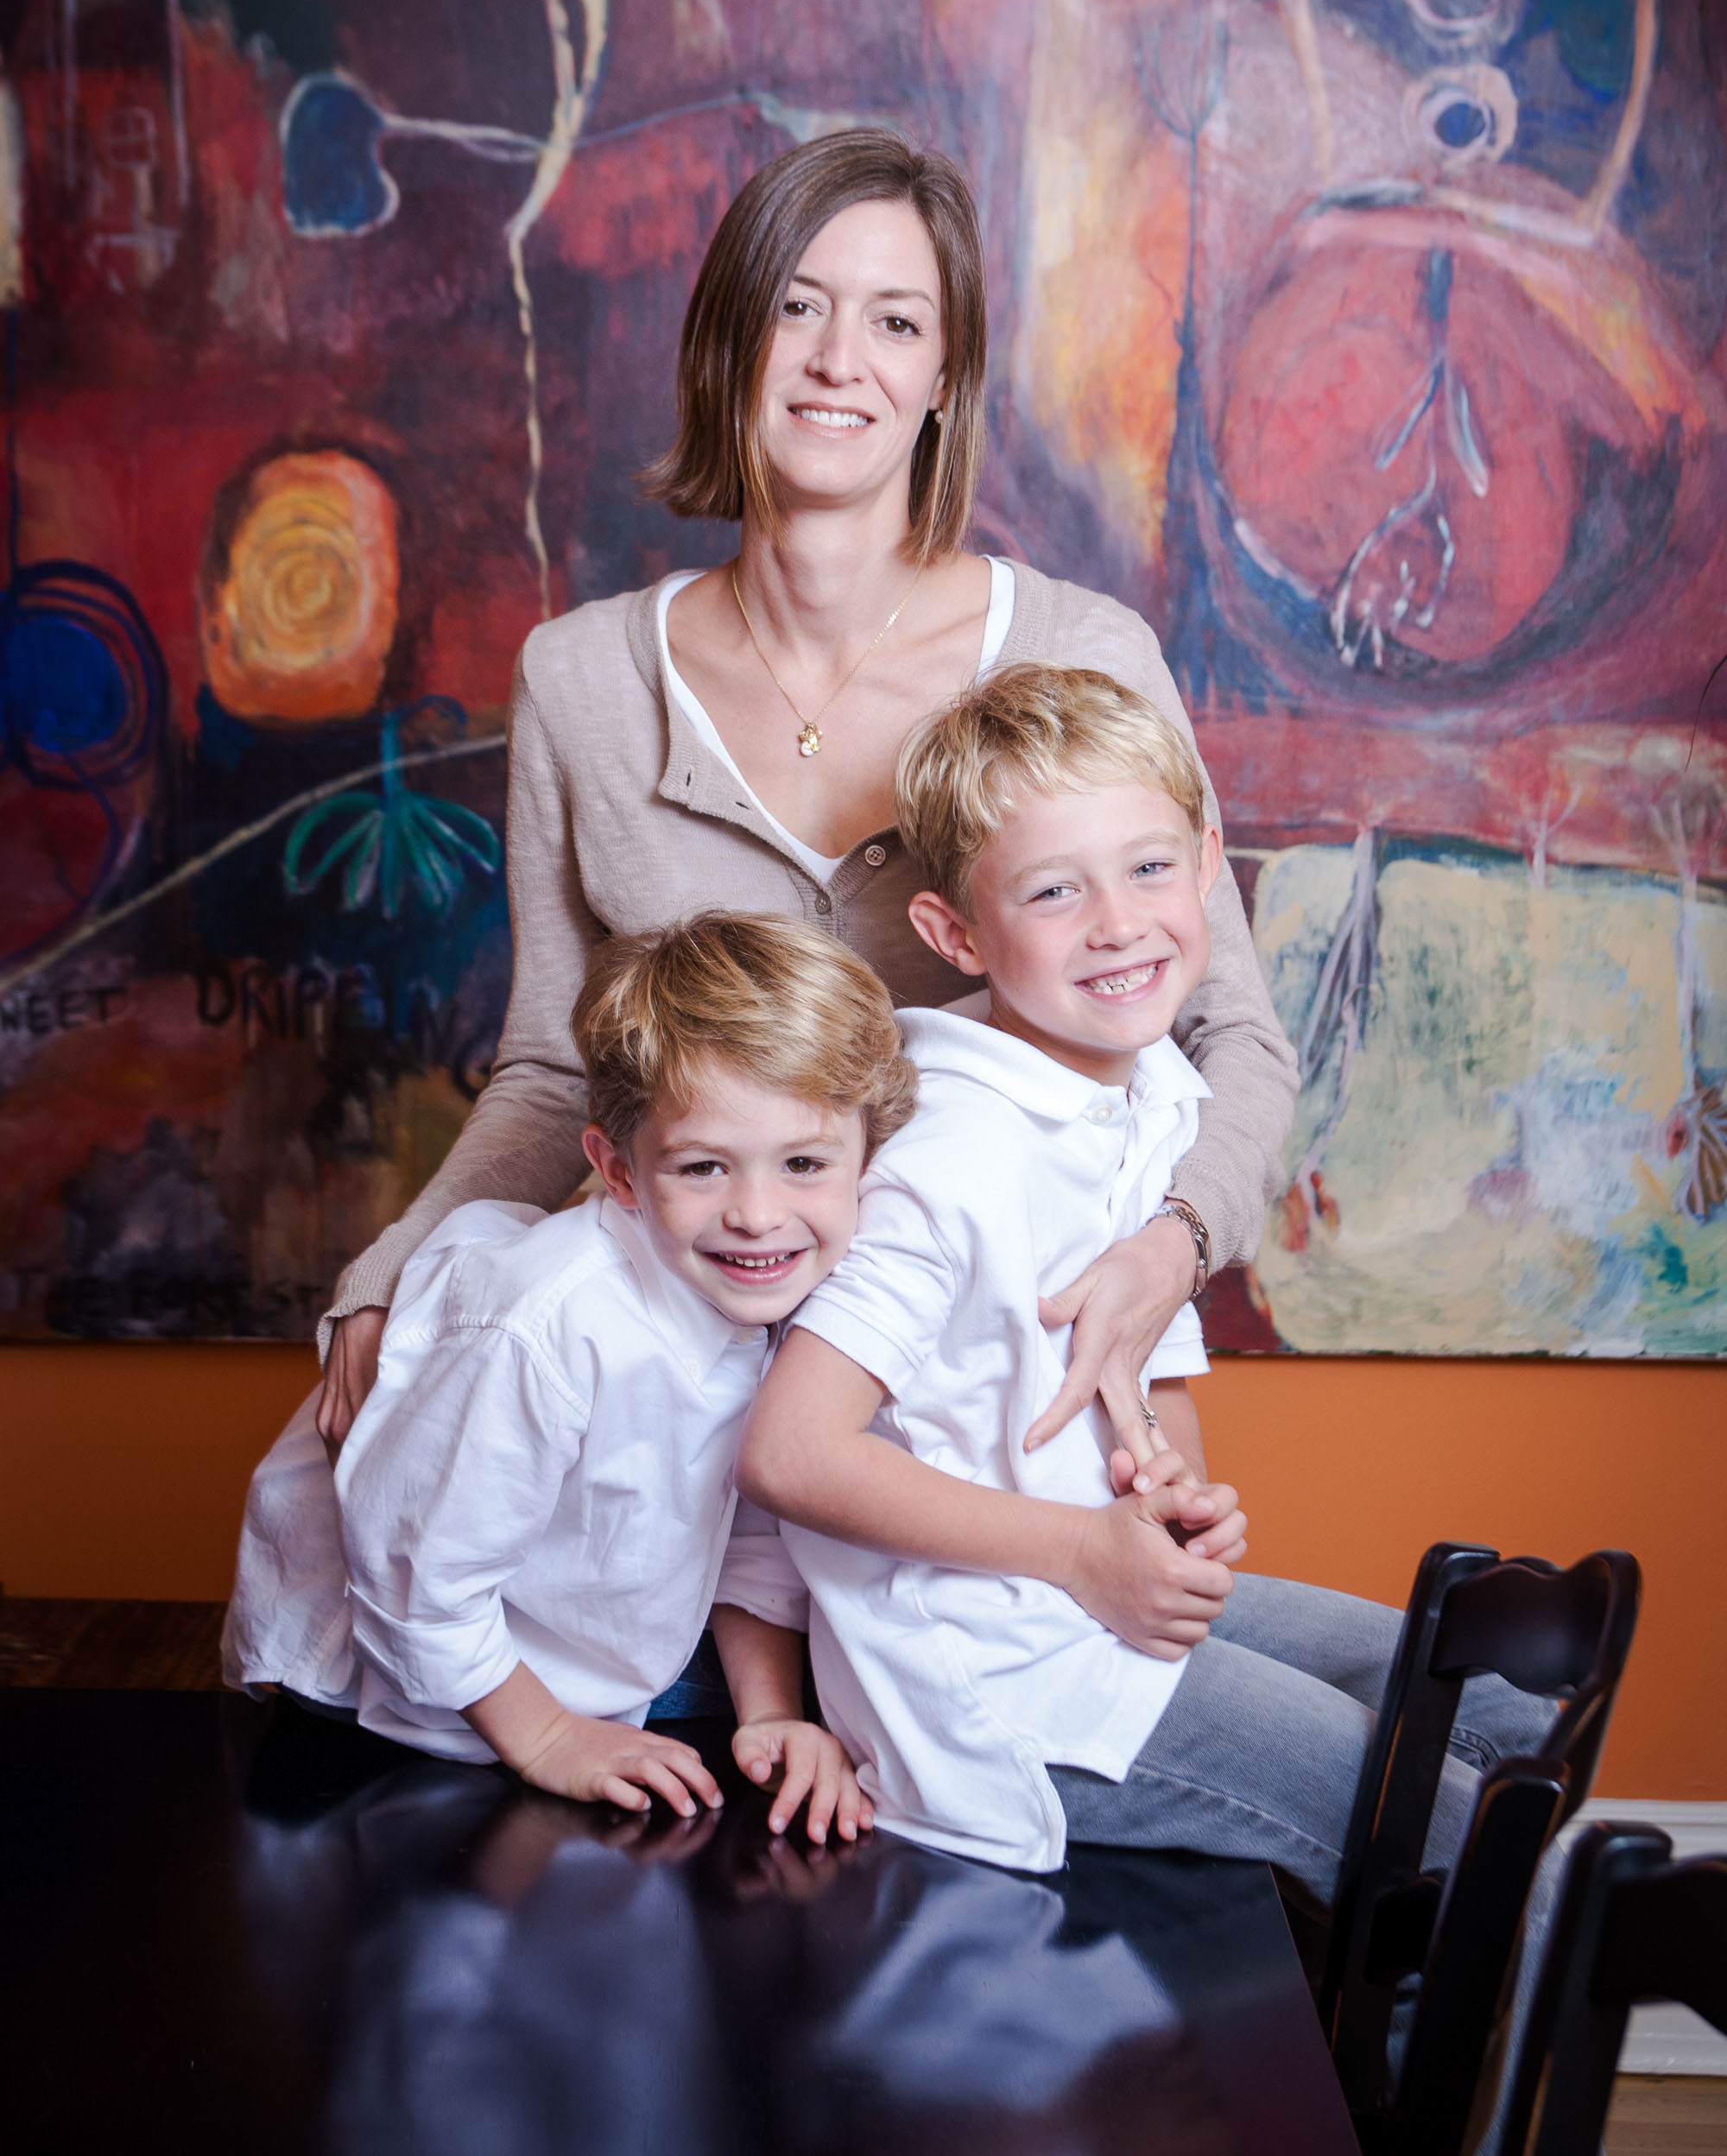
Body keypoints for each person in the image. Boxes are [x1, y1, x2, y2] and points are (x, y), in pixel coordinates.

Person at [315, 130, 1300, 1514]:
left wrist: (1173, 1247)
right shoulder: (582, 679)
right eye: (799, 306)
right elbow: (553, 1073)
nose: (843, 361)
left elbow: (1233, 1040)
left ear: (943, 378)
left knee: (1416, 1711)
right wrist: (395, 1273)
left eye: (897, 321)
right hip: (673, 1436)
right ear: (730, 340)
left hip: (990, 1429)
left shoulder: (1087, 656)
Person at [736, 667, 1553, 1895]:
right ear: (956, 935)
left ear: (1208, 864)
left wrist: (1177, 1497)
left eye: (1151, 869)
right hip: (1000, 1674)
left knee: (1508, 1723)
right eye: (1055, 890)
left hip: (1098, 1601)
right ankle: (1408, 2086)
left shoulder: (1149, 1092)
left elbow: (1145, 1375)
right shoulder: (956, 1152)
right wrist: (1081, 1550)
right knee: (1451, 1831)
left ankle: (1373, 2050)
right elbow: (789, 1455)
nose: (1118, 923)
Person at [225, 914, 908, 1840]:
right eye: (702, 1167)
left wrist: (770, 1712)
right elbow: (411, 1571)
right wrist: (545, 1737)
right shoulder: (541, 1326)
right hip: (401, 1700)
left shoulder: (779, 1299)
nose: (757, 1215)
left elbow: (745, 1527)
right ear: (617, 1172)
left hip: (581, 1651)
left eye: (803, 1164)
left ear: (865, 1158)